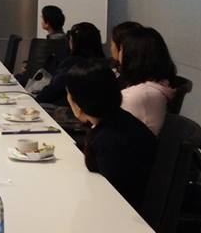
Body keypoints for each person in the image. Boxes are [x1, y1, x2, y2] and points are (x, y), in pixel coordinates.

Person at [65, 58, 156, 212]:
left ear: (77, 103)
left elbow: (109, 200)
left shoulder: (108, 141)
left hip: (124, 216)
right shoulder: (122, 120)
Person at [117, 26, 177, 136]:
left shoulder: (135, 95)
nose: (118, 54)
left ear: (132, 56)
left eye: (121, 49)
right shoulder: (159, 86)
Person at [34, 22, 105, 106]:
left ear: (74, 42)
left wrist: (35, 101)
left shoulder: (72, 64)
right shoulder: (105, 65)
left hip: (66, 109)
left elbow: (54, 89)